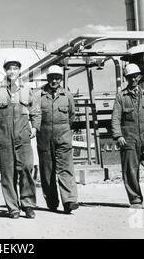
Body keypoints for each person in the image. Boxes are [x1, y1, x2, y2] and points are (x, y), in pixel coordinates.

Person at [0, 58, 41, 219]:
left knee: (27, 169)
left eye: (15, 68)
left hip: (23, 136)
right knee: (8, 173)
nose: (12, 71)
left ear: (19, 70)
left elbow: (35, 110)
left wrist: (35, 126)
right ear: (5, 70)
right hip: (4, 137)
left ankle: (28, 205)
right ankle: (13, 208)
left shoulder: (26, 89)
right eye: (9, 68)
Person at [111, 63, 144, 209]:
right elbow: (115, 118)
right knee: (130, 170)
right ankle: (135, 200)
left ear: (139, 77)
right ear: (126, 78)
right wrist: (118, 135)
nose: (133, 79)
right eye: (130, 77)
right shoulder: (121, 97)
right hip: (128, 138)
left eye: (135, 76)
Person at [35, 65, 79, 214]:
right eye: (52, 77)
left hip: (63, 134)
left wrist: (63, 129)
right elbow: (35, 115)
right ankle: (52, 201)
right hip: (44, 135)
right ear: (47, 78)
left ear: (61, 79)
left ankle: (69, 201)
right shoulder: (38, 95)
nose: (54, 80)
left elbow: (72, 115)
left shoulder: (67, 95)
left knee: (65, 168)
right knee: (47, 171)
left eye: (57, 78)